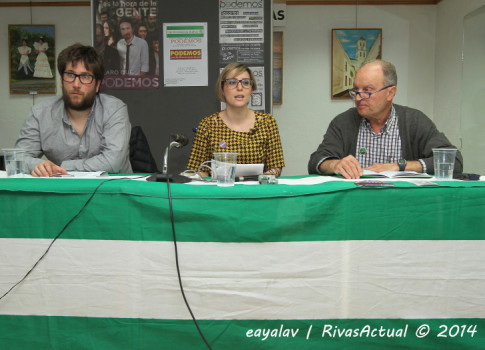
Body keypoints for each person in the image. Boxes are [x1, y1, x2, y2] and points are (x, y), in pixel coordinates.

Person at [308, 60, 463, 179]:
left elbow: (454, 160)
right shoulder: (344, 122)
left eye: (367, 90)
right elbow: (316, 161)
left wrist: (399, 167)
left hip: (403, 206)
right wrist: (336, 164)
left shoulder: (414, 121)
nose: (358, 97)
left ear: (390, 93)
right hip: (356, 204)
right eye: (356, 90)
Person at [15, 43, 132, 177]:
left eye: (85, 77)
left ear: (97, 85)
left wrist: (61, 167)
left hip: (111, 193)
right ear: (61, 80)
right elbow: (18, 158)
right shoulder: (39, 113)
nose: (76, 84)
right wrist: (38, 166)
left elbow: (113, 162)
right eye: (70, 75)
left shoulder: (114, 109)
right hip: (63, 193)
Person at [187, 62, 285, 177]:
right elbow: (197, 169)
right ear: (222, 89)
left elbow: (276, 166)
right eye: (232, 82)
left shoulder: (267, 122)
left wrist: (262, 181)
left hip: (256, 192)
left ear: (251, 90)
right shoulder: (207, 125)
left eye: (245, 82)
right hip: (220, 192)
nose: (239, 88)